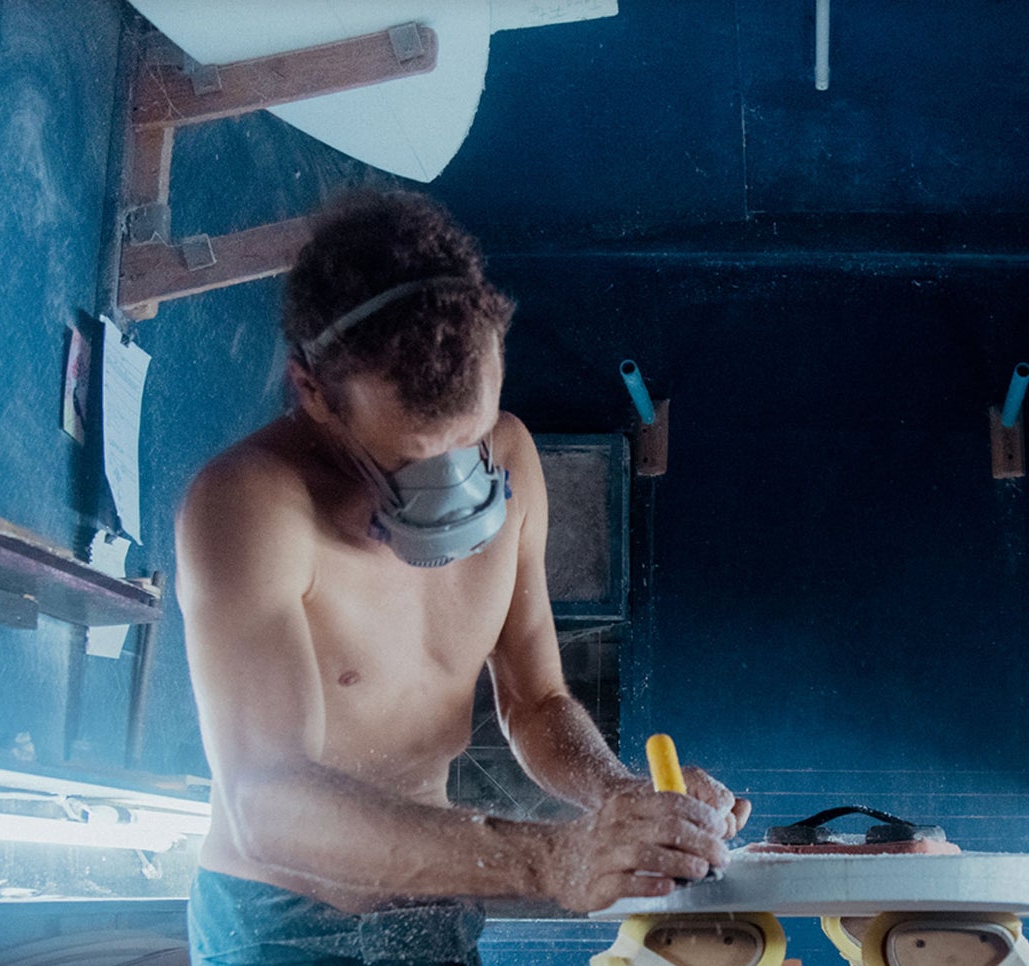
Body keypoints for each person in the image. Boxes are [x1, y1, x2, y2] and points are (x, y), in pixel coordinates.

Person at [175, 192, 747, 965]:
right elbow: (265, 802)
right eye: (412, 456)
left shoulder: (512, 457)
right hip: (285, 919)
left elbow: (538, 701)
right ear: (312, 390)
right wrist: (552, 858)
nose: (455, 482)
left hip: (442, 904)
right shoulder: (249, 504)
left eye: (469, 440)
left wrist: (623, 800)